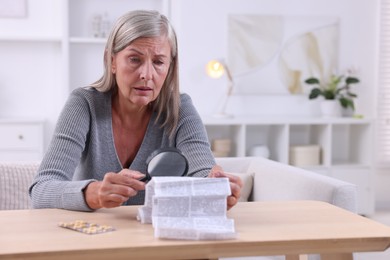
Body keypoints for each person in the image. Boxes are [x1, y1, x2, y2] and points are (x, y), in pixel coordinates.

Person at [29, 10, 242, 212]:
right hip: (96, 241)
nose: (146, 74)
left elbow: (204, 171)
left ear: (170, 67)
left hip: (157, 242)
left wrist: (217, 188)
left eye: (158, 62)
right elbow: (40, 190)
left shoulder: (180, 108)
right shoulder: (84, 105)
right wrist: (93, 193)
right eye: (134, 59)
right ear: (111, 61)